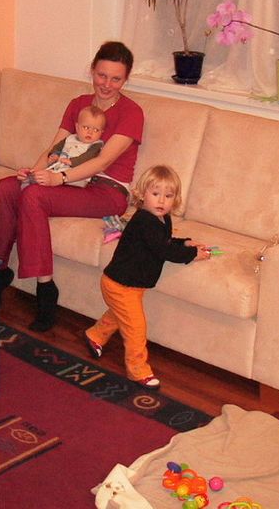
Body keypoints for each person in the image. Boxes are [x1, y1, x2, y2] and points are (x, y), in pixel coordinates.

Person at [0, 41, 143, 332]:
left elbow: (102, 161)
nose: (107, 84)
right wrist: (34, 172)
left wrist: (59, 178)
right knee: (7, 187)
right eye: (102, 75)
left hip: (106, 191)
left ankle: (46, 289)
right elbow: (56, 148)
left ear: (126, 79)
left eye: (116, 79)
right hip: (70, 179)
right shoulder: (79, 104)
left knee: (34, 197)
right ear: (92, 71)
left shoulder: (132, 112)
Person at [83, 165, 211, 389]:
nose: (161, 200)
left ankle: (95, 335)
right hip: (120, 284)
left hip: (131, 284)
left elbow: (164, 242)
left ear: (175, 199)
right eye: (155, 194)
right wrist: (191, 254)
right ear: (142, 195)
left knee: (119, 315)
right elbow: (163, 250)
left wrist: (185, 243)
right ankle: (138, 370)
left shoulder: (163, 218)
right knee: (135, 328)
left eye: (168, 196)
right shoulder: (144, 220)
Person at [23, 105, 106, 188]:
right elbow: (58, 147)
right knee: (41, 176)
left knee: (43, 181)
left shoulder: (96, 145)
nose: (90, 132)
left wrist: (72, 162)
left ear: (101, 132)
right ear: (77, 127)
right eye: (86, 127)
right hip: (58, 168)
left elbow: (88, 157)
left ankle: (33, 183)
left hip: (76, 176)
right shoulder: (70, 138)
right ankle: (29, 179)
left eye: (96, 130)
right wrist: (54, 154)